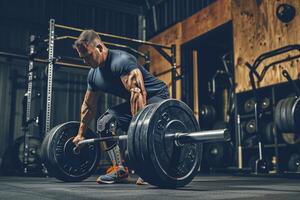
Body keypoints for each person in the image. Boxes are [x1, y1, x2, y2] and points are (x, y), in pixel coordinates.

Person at [72, 30, 170, 184]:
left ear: (99, 47)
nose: (86, 62)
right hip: (135, 100)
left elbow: (138, 93)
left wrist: (137, 132)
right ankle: (119, 169)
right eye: (82, 58)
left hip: (156, 96)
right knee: (104, 123)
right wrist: (80, 134)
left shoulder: (121, 61)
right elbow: (88, 106)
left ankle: (149, 168)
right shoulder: (93, 75)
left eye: (88, 56)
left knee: (144, 128)